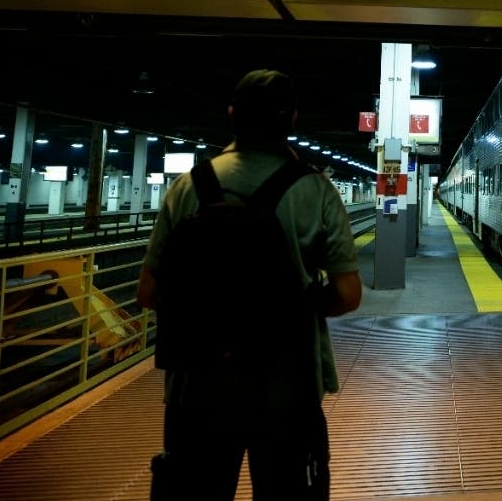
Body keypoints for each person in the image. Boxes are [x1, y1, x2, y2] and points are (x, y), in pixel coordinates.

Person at [136, 68, 362, 501]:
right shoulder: (314, 189)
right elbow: (348, 295)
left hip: (195, 388)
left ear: (231, 115)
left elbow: (148, 292)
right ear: (291, 120)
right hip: (288, 386)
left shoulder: (188, 186)